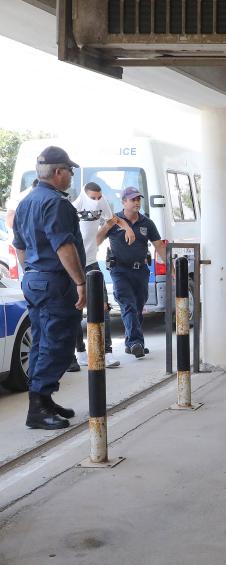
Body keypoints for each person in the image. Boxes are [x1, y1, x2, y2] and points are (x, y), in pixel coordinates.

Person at [12, 146, 87, 430]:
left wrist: (33, 271)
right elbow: (64, 246)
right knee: (59, 342)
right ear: (58, 173)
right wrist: (80, 282)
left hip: (35, 278)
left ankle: (43, 399)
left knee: (42, 340)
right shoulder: (56, 204)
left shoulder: (26, 202)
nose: (70, 176)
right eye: (69, 170)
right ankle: (38, 406)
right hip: (55, 281)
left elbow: (19, 247)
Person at [96, 187, 166, 359]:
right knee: (128, 305)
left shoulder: (146, 223)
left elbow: (159, 245)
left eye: (138, 199)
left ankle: (131, 343)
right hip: (119, 270)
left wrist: (171, 266)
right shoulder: (115, 221)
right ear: (124, 202)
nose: (136, 202)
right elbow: (96, 240)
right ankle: (136, 342)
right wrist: (107, 225)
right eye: (133, 199)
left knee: (138, 307)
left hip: (141, 271)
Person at [73, 182, 124, 369]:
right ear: (85, 195)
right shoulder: (73, 208)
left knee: (103, 307)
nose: (96, 202)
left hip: (93, 263)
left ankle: (107, 351)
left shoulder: (102, 202)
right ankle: (80, 351)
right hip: (75, 265)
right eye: (92, 198)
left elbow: (112, 220)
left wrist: (123, 227)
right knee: (77, 309)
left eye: (98, 197)